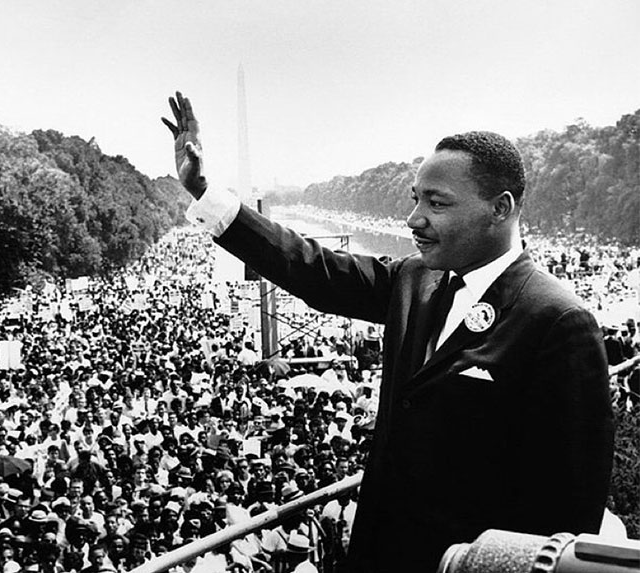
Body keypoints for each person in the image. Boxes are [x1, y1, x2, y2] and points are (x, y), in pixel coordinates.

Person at [162, 92, 614, 573]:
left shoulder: (558, 321)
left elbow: (566, 513)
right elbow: (310, 268)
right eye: (415, 199)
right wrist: (205, 191)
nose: (414, 219)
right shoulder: (414, 278)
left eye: (436, 203)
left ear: (499, 208)